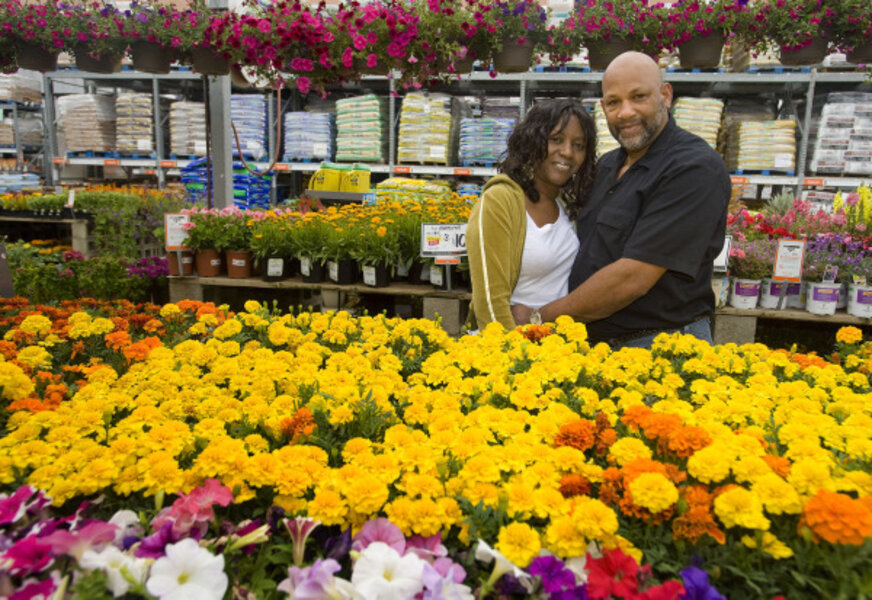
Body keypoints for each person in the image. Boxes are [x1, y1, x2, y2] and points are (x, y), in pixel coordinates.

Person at [513, 51, 730, 348]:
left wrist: (540, 317)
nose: (625, 112)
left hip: (660, 348)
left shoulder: (692, 168)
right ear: (603, 108)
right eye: (614, 102)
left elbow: (633, 278)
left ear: (665, 96)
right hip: (597, 345)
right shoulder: (607, 166)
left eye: (638, 97)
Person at [466, 98, 597, 330]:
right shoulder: (500, 200)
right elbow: (489, 300)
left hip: (555, 352)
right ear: (533, 140)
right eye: (556, 140)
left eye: (579, 145)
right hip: (508, 349)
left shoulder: (567, 205)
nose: (567, 152)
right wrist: (516, 358)